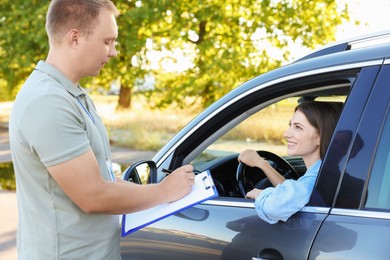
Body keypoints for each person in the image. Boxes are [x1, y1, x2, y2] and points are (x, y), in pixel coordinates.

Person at [9, 1, 195, 259]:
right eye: (108, 41)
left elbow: (103, 181)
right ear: (75, 38)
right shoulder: (48, 101)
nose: (114, 52)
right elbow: (93, 195)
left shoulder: (72, 95)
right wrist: (164, 191)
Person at [238, 101, 342, 224]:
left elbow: (274, 206)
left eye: (298, 127)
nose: (286, 134)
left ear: (321, 136)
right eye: (290, 125)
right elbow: (294, 193)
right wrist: (262, 164)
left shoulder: (315, 180)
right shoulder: (326, 171)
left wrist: (259, 194)